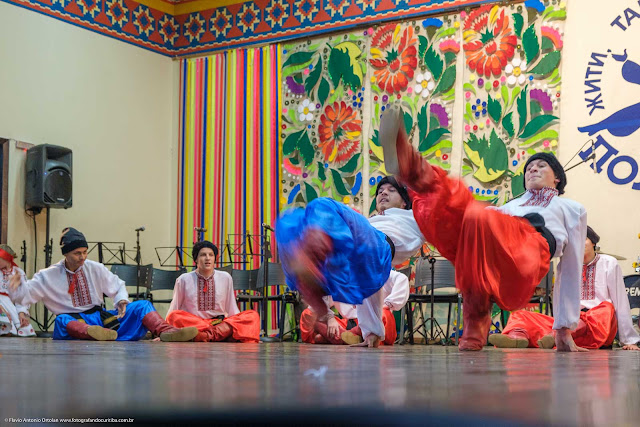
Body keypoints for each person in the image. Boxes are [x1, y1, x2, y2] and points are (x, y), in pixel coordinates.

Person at [379, 106, 587, 352]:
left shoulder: (571, 208)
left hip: (532, 249)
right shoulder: (512, 204)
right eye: (529, 168)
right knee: (460, 210)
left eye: (541, 165)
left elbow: (571, 266)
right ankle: (409, 167)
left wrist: (564, 327)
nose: (532, 169)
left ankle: (476, 317)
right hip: (493, 241)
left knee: (476, 214)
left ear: (558, 179)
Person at [276, 176, 425, 348]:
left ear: (404, 203)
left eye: (391, 190)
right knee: (289, 222)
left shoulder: (414, 217)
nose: (384, 192)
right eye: (381, 190)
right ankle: (315, 281)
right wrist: (372, 332)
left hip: (379, 246)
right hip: (361, 264)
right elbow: (371, 286)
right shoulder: (372, 221)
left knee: (322, 205)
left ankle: (315, 277)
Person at [10, 227, 198, 342]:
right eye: (77, 253)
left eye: (85, 252)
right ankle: (94, 334)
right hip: (76, 321)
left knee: (142, 305)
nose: (83, 257)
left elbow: (117, 285)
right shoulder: (47, 275)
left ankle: (167, 332)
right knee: (62, 320)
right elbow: (27, 294)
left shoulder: (95, 267)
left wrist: (121, 300)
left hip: (100, 319)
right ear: (65, 254)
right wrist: (21, 303)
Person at [489, 226, 640, 350]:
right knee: (522, 316)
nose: (579, 244)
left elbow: (620, 302)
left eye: (584, 239)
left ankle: (556, 336)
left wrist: (628, 340)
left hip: (600, 325)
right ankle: (517, 337)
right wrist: (561, 324)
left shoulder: (609, 263)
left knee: (606, 308)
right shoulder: (565, 265)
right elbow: (559, 301)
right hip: (569, 324)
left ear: (593, 242)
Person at [166, 241, 260, 343]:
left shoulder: (225, 277)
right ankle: (217, 335)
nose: (207, 258)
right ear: (196, 259)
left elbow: (232, 308)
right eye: (203, 255)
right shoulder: (183, 279)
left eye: (211, 255)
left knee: (252, 315)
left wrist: (240, 324)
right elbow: (174, 308)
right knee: (174, 316)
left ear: (215, 258)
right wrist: (165, 330)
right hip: (195, 324)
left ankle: (205, 336)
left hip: (219, 323)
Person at [300, 269, 410, 345]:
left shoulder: (375, 270)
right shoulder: (338, 278)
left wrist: (387, 304)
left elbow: (402, 279)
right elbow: (318, 303)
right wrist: (330, 317)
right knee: (308, 314)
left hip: (375, 322)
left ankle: (331, 337)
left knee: (383, 315)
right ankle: (350, 337)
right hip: (347, 324)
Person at [0, 244, 36, 337]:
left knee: (19, 325)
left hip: (11, 306)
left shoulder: (18, 273)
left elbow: (22, 296)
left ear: (6, 258)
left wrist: (21, 313)